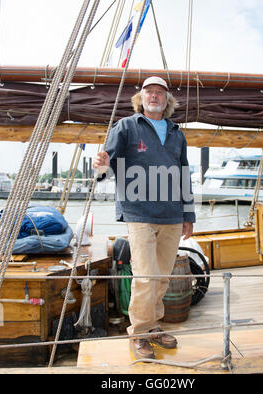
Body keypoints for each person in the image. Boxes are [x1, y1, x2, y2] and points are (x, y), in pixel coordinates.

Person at [93, 76, 196, 360]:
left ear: (167, 101)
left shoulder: (177, 133)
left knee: (161, 277)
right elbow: (108, 168)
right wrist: (101, 167)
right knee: (145, 276)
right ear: (141, 99)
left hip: (173, 215)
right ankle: (139, 333)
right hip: (139, 213)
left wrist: (189, 214)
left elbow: (184, 175)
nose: (154, 96)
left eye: (160, 93)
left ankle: (153, 326)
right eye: (149, 92)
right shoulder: (126, 126)